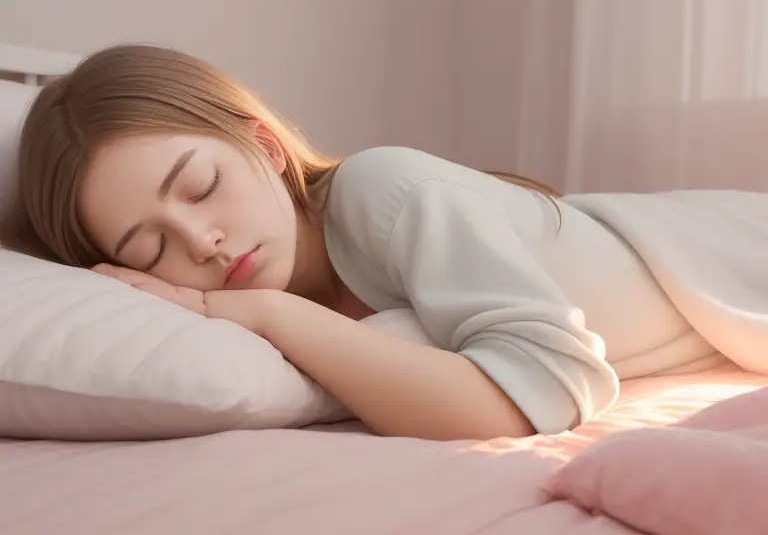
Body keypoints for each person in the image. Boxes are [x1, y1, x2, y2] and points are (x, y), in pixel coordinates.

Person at [2, 45, 766, 442]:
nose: (202, 241)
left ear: (264, 144)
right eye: (147, 247)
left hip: (730, 253)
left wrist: (269, 313)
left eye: (201, 186)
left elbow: (544, 391)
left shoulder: (382, 189)